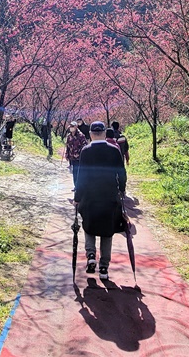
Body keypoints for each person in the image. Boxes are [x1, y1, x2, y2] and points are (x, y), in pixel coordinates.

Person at [74, 121, 127, 282]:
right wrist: (122, 190)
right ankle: (104, 267)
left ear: (90, 134)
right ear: (104, 133)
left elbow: (81, 177)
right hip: (109, 195)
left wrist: (77, 198)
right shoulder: (114, 150)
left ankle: (91, 255)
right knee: (107, 230)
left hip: (90, 197)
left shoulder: (86, 151)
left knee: (88, 226)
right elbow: (122, 173)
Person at [64, 121, 88, 191]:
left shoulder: (81, 136)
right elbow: (68, 146)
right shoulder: (69, 136)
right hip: (72, 157)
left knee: (79, 172)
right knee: (74, 172)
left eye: (72, 126)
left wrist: (79, 153)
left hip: (79, 158)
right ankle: (76, 186)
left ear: (76, 127)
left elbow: (84, 146)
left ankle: (80, 187)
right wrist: (67, 154)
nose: (71, 128)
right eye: (70, 126)